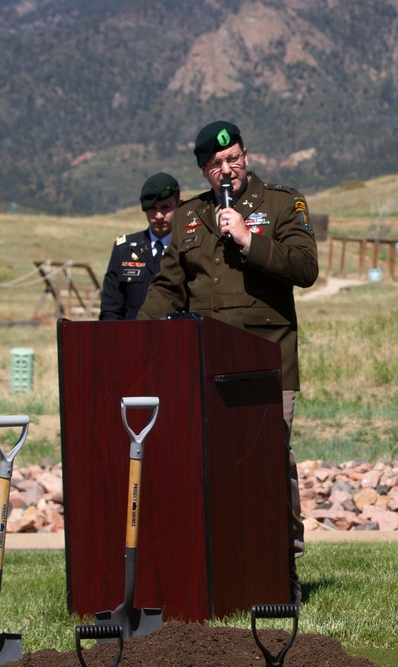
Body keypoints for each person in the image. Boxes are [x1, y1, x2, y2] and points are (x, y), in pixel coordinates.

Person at [136, 121, 318, 603]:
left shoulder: (282, 203)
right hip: (203, 368)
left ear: (245, 155)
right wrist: (133, 336)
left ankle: (281, 568)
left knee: (269, 466)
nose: (227, 170)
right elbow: (168, 286)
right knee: (208, 469)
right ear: (203, 169)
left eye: (233, 159)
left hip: (267, 366)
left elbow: (305, 269)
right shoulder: (189, 217)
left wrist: (247, 239)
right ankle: (218, 567)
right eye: (215, 164)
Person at [99, 172, 181, 320]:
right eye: (152, 209)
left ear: (178, 205)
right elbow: (111, 310)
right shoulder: (125, 249)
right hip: (133, 338)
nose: (158, 216)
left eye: (165, 207)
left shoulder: (188, 247)